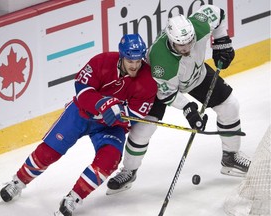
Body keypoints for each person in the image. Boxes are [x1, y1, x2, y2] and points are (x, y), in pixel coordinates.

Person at [0, 34, 157, 216]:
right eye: (130, 60)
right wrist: (103, 104)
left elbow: (136, 115)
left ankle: (74, 197)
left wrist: (121, 114)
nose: (135, 65)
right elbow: (82, 88)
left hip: (110, 126)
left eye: (138, 60)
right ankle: (18, 182)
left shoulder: (147, 81)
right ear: (122, 56)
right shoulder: (102, 61)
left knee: (109, 160)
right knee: (49, 151)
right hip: (81, 114)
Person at [106, 4, 251, 195]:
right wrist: (189, 109)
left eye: (190, 42)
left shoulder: (198, 26)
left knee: (230, 105)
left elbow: (218, 12)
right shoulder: (160, 61)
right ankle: (128, 171)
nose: (187, 48)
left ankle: (230, 157)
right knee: (143, 128)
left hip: (195, 75)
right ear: (171, 40)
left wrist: (222, 41)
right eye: (181, 45)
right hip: (157, 86)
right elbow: (166, 93)